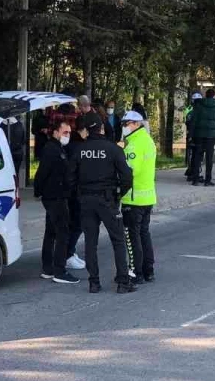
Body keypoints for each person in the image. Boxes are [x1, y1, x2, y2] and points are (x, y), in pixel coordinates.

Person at [73, 112, 134, 293]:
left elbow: (70, 177)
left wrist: (79, 195)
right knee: (117, 240)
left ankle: (94, 282)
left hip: (86, 200)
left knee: (90, 243)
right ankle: (123, 282)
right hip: (107, 200)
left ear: (87, 130)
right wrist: (117, 195)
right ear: (101, 128)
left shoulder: (79, 150)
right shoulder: (113, 149)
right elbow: (127, 177)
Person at [33, 120, 81, 284]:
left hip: (56, 196)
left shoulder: (57, 148)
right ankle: (59, 271)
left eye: (68, 132)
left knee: (51, 232)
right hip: (55, 197)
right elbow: (42, 173)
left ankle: (48, 268)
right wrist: (38, 191)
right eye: (65, 132)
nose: (67, 135)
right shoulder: (52, 150)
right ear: (55, 132)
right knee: (62, 233)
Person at [119, 110, 156, 283]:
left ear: (136, 124)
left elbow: (131, 171)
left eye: (126, 124)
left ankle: (135, 272)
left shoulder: (134, 144)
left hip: (133, 198)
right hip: (147, 197)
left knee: (132, 237)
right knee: (143, 234)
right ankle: (148, 270)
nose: (124, 127)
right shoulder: (147, 140)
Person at [190, 88, 215, 186]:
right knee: (209, 157)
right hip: (211, 136)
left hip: (199, 134)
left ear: (205, 95)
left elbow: (194, 120)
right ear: (214, 96)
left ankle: (195, 179)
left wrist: (191, 135)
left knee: (197, 156)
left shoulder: (199, 105)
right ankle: (207, 180)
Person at [183, 92, 201, 177]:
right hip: (196, 133)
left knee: (191, 153)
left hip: (191, 133)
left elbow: (186, 120)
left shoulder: (189, 108)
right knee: (195, 154)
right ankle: (193, 170)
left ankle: (192, 169)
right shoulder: (194, 109)